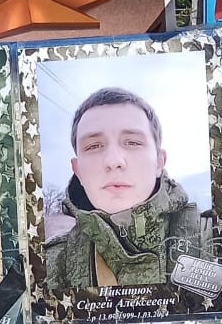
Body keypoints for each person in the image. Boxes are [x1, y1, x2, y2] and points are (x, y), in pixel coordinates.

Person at [45, 86, 205, 292]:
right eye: (94, 146)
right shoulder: (45, 266)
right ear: (78, 171)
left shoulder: (220, 242)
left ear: (159, 161)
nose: (113, 161)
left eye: (132, 142)